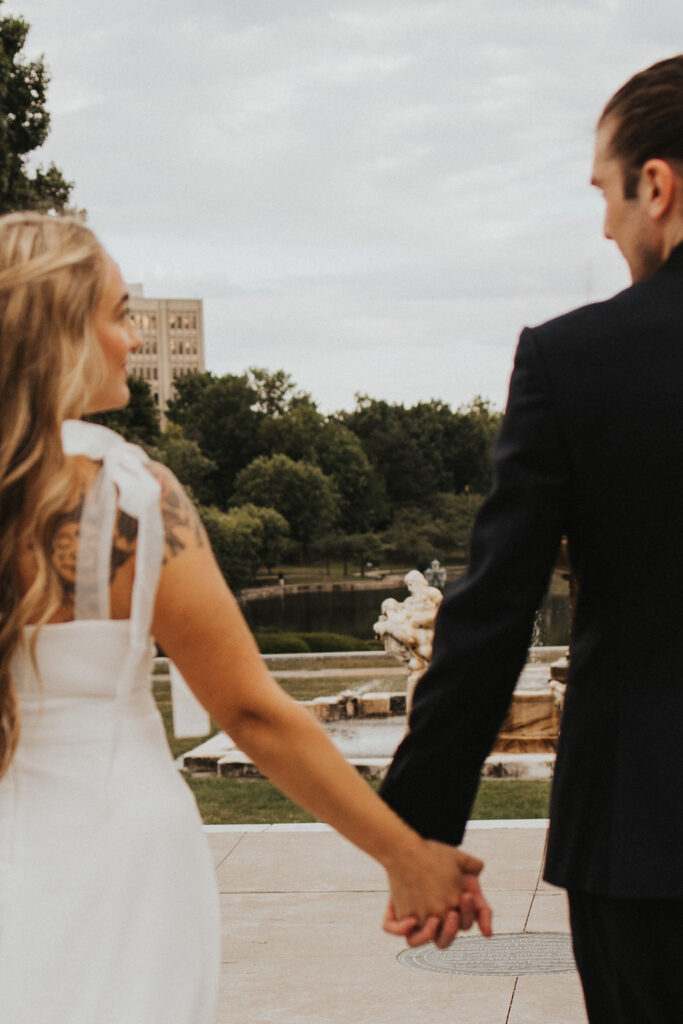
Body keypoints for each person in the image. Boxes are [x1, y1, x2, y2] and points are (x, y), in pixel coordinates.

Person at [0, 211, 491, 1024]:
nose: (131, 338)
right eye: (119, 315)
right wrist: (406, 855)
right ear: (62, 333)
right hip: (117, 863)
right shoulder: (129, 496)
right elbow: (250, 709)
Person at [380, 55, 683, 1023]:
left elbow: (493, 611)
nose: (603, 225)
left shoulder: (573, 359)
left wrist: (417, 834)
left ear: (656, 186)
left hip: (645, 833)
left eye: (604, 192)